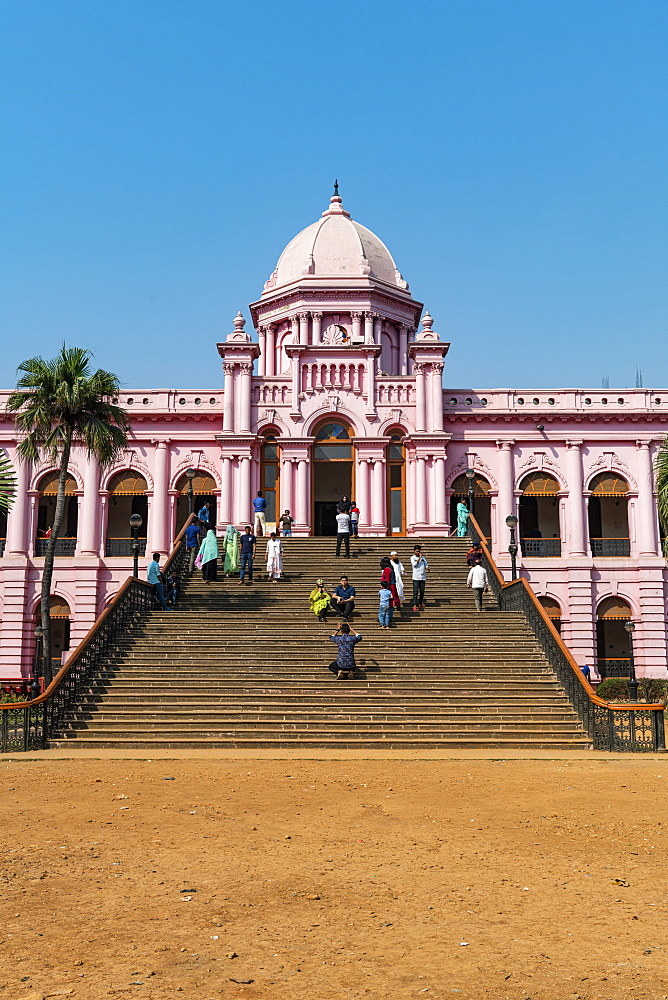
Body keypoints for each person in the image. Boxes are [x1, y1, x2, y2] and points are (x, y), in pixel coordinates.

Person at [410, 545, 429, 611]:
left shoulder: (423, 558)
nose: (418, 552)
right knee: (415, 591)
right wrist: (419, 559)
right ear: (414, 551)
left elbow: (426, 564)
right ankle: (414, 604)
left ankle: (420, 602)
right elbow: (414, 565)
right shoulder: (412, 558)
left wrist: (427, 568)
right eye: (417, 551)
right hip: (416, 577)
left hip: (422, 576)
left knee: (422, 591)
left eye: (419, 551)